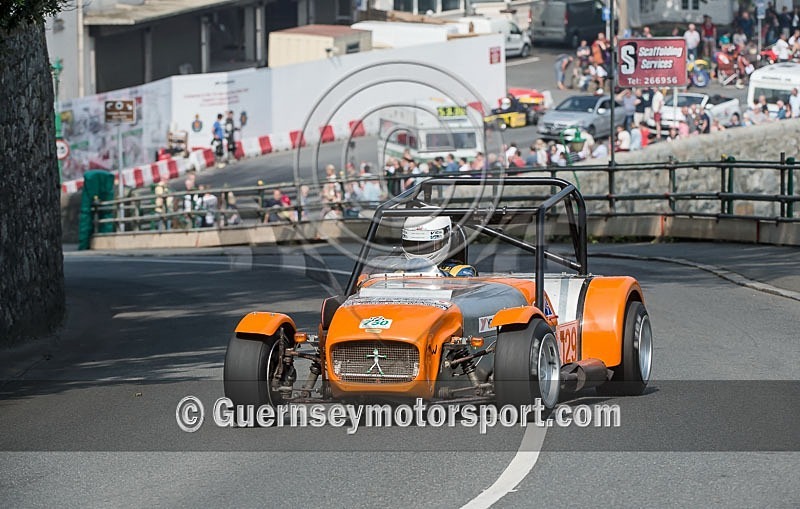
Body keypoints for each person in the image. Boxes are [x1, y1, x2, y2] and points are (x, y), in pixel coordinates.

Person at [401, 215, 477, 277]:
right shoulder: (399, 268)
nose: (420, 248)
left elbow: (465, 281)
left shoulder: (460, 271)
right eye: (413, 244)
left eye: (428, 244)